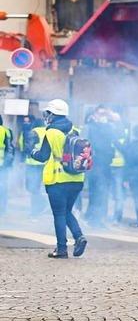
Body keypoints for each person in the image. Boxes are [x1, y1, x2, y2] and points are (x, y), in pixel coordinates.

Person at [31, 99, 88, 259]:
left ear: (52, 114)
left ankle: (61, 249)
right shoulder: (74, 130)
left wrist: (32, 152)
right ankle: (79, 237)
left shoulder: (51, 132)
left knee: (59, 214)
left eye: (47, 113)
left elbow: (43, 156)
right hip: (77, 178)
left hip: (57, 179)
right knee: (67, 211)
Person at [84, 105, 114, 228]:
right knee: (98, 191)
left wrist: (114, 120)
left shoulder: (107, 127)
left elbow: (118, 135)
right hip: (95, 164)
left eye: (104, 114)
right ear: (93, 115)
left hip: (105, 164)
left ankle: (95, 217)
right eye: (100, 114)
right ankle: (94, 219)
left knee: (102, 192)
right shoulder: (90, 128)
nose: (103, 117)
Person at [22, 117, 48, 215]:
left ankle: (36, 209)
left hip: (32, 164)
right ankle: (38, 208)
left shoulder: (34, 132)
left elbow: (28, 147)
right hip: (43, 164)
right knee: (38, 187)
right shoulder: (47, 132)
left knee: (32, 188)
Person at [0, 115, 15, 216]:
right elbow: (10, 148)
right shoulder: (5, 131)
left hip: (2, 165)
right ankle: (2, 208)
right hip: (2, 164)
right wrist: (8, 163)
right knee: (3, 187)